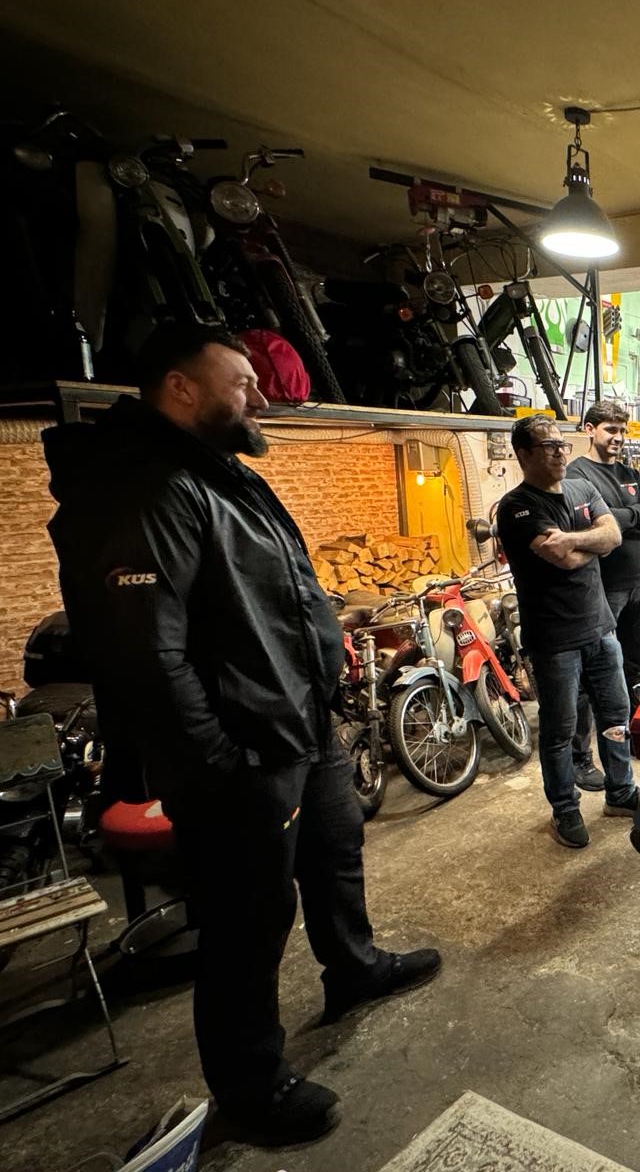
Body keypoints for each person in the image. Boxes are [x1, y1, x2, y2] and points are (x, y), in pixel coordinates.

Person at [44, 324, 439, 1146]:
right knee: (246, 920)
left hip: (295, 724)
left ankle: (354, 967)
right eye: (243, 382)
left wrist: (320, 651)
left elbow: (258, 598)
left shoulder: (216, 473)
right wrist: (220, 762)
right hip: (241, 752)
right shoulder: (147, 489)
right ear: (181, 389)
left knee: (334, 850)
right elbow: (146, 655)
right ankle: (251, 1086)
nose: (260, 396)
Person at [497, 416, 639, 847]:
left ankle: (620, 792)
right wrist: (593, 541)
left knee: (616, 717)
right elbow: (563, 559)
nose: (560, 452)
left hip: (601, 628)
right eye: (548, 446)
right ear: (524, 454)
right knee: (560, 731)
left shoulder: (581, 487)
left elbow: (613, 534)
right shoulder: (516, 507)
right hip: (555, 640)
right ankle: (565, 809)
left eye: (562, 444)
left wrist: (577, 539)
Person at [565, 400, 640, 791]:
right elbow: (587, 524)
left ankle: (631, 737)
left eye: (623, 431)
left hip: (639, 582)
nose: (619, 438)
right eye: (611, 430)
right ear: (589, 430)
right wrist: (632, 514)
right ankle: (580, 757)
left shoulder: (630, 472)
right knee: (593, 677)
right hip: (603, 587)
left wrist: (616, 519)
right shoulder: (576, 475)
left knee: (634, 667)